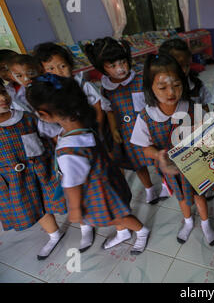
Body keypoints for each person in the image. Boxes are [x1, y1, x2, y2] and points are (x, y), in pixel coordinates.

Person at [27, 74, 151, 255]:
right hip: (108, 181)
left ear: (44, 114)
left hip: (97, 192)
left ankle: (141, 231)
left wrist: (75, 209)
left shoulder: (70, 149)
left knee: (115, 217)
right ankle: (123, 233)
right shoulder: (84, 122)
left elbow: (72, 184)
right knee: (116, 214)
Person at [130, 53, 214, 246]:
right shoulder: (146, 116)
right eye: (162, 87)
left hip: (195, 167)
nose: (171, 92)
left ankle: (205, 224)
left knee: (199, 196)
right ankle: (187, 222)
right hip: (172, 170)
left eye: (177, 85)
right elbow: (144, 146)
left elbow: (211, 134)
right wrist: (157, 154)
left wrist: (205, 134)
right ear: (150, 88)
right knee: (182, 198)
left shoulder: (192, 108)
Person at [84, 37, 163, 204]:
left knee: (157, 157)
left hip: (148, 127)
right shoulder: (105, 88)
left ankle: (164, 183)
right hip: (127, 132)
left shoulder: (141, 80)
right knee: (136, 162)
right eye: (112, 66)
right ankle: (149, 189)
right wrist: (113, 129)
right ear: (102, 69)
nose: (120, 69)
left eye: (123, 63)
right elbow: (109, 110)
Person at [0, 85, 67, 260]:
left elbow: (54, 135)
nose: (2, 98)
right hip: (15, 179)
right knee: (35, 206)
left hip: (42, 171)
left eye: (3, 92)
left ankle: (87, 223)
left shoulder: (27, 118)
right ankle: (54, 235)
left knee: (58, 198)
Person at [158, 38, 214, 201]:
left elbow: (205, 109)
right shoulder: (160, 89)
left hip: (196, 137)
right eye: (178, 65)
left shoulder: (197, 85)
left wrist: (206, 126)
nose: (183, 70)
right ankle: (176, 188)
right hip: (174, 139)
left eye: (187, 65)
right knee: (180, 171)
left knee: (202, 165)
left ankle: (207, 186)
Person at [33, 42, 111, 139]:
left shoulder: (83, 85)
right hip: (70, 139)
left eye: (62, 66)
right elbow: (52, 131)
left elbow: (98, 108)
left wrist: (98, 132)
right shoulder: (47, 96)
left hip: (93, 133)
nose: (58, 72)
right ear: (43, 73)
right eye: (51, 69)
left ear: (70, 65)